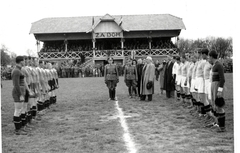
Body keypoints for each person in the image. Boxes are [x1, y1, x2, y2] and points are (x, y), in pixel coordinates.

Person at [208, 50, 226, 132]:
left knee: (219, 105)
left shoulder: (219, 65)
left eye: (209, 56)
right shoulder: (214, 65)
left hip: (217, 85)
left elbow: (222, 79)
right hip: (213, 85)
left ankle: (222, 127)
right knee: (214, 105)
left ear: (211, 56)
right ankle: (217, 123)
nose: (208, 58)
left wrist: (219, 90)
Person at [11, 56, 27, 135]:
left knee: (20, 110)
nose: (25, 62)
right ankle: (17, 129)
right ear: (21, 61)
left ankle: (20, 128)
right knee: (17, 110)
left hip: (21, 92)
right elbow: (16, 84)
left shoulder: (19, 70)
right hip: (18, 93)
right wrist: (20, 94)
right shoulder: (16, 71)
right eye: (24, 61)